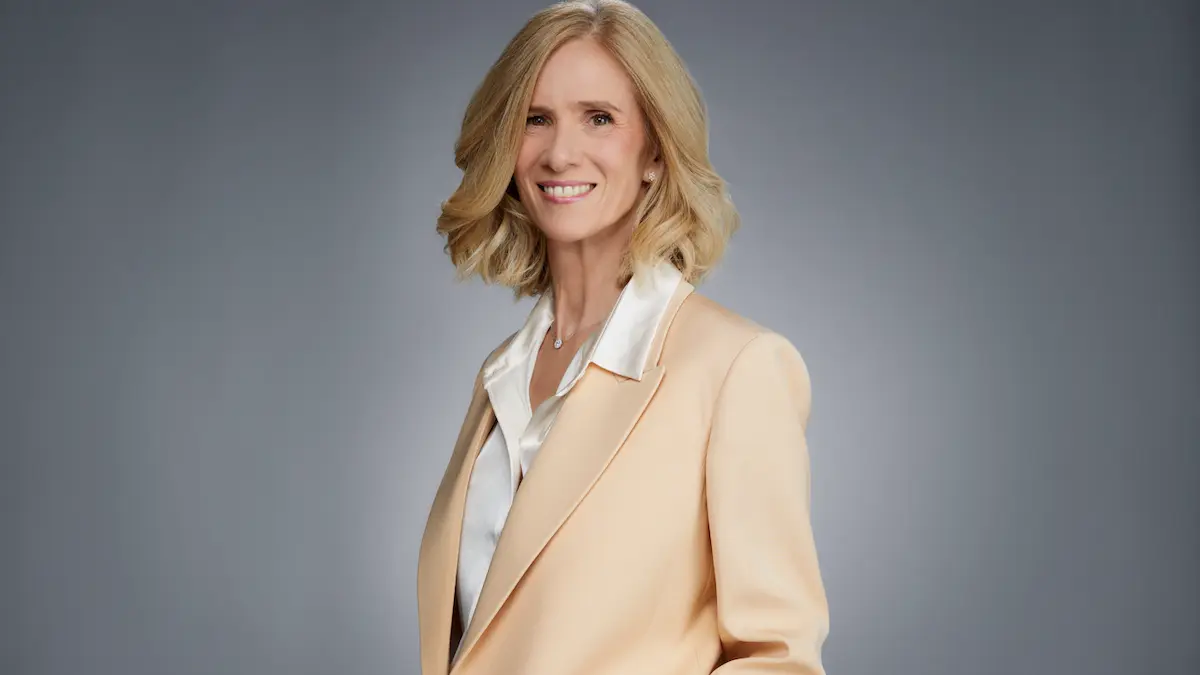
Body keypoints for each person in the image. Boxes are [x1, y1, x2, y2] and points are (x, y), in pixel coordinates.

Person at [416, 1, 829, 673]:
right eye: (536, 118)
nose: (560, 153)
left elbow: (778, 657)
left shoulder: (736, 368)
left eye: (599, 118)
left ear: (655, 153)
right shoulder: (500, 376)